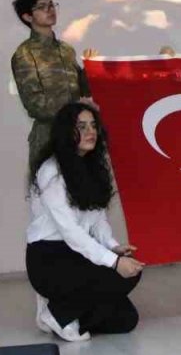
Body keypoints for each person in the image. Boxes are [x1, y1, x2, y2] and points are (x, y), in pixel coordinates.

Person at [25, 102, 142, 341]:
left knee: (126, 319)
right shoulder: (52, 171)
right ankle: (58, 315)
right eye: (81, 126)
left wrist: (112, 246)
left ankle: (63, 312)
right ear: (67, 132)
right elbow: (71, 232)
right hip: (49, 258)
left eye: (93, 126)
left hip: (77, 253)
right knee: (121, 273)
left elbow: (97, 219)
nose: (90, 132)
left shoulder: (91, 166)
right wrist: (113, 262)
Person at [10, 0, 96, 169]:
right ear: (27, 17)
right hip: (49, 138)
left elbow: (84, 91)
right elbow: (35, 104)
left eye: (51, 4)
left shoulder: (66, 50)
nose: (50, 10)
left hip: (78, 137)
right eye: (42, 6)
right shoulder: (25, 54)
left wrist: (90, 68)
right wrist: (73, 110)